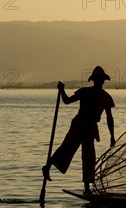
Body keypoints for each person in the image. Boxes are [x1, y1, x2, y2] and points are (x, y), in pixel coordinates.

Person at [42, 66, 115, 194]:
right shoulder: (85, 92)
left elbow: (110, 118)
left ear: (103, 81)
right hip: (79, 124)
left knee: (88, 157)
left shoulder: (106, 97)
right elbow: (67, 101)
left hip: (90, 128)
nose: (100, 81)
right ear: (95, 80)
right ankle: (47, 167)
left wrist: (112, 136)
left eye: (101, 79)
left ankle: (87, 189)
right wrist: (62, 90)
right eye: (98, 79)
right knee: (67, 148)